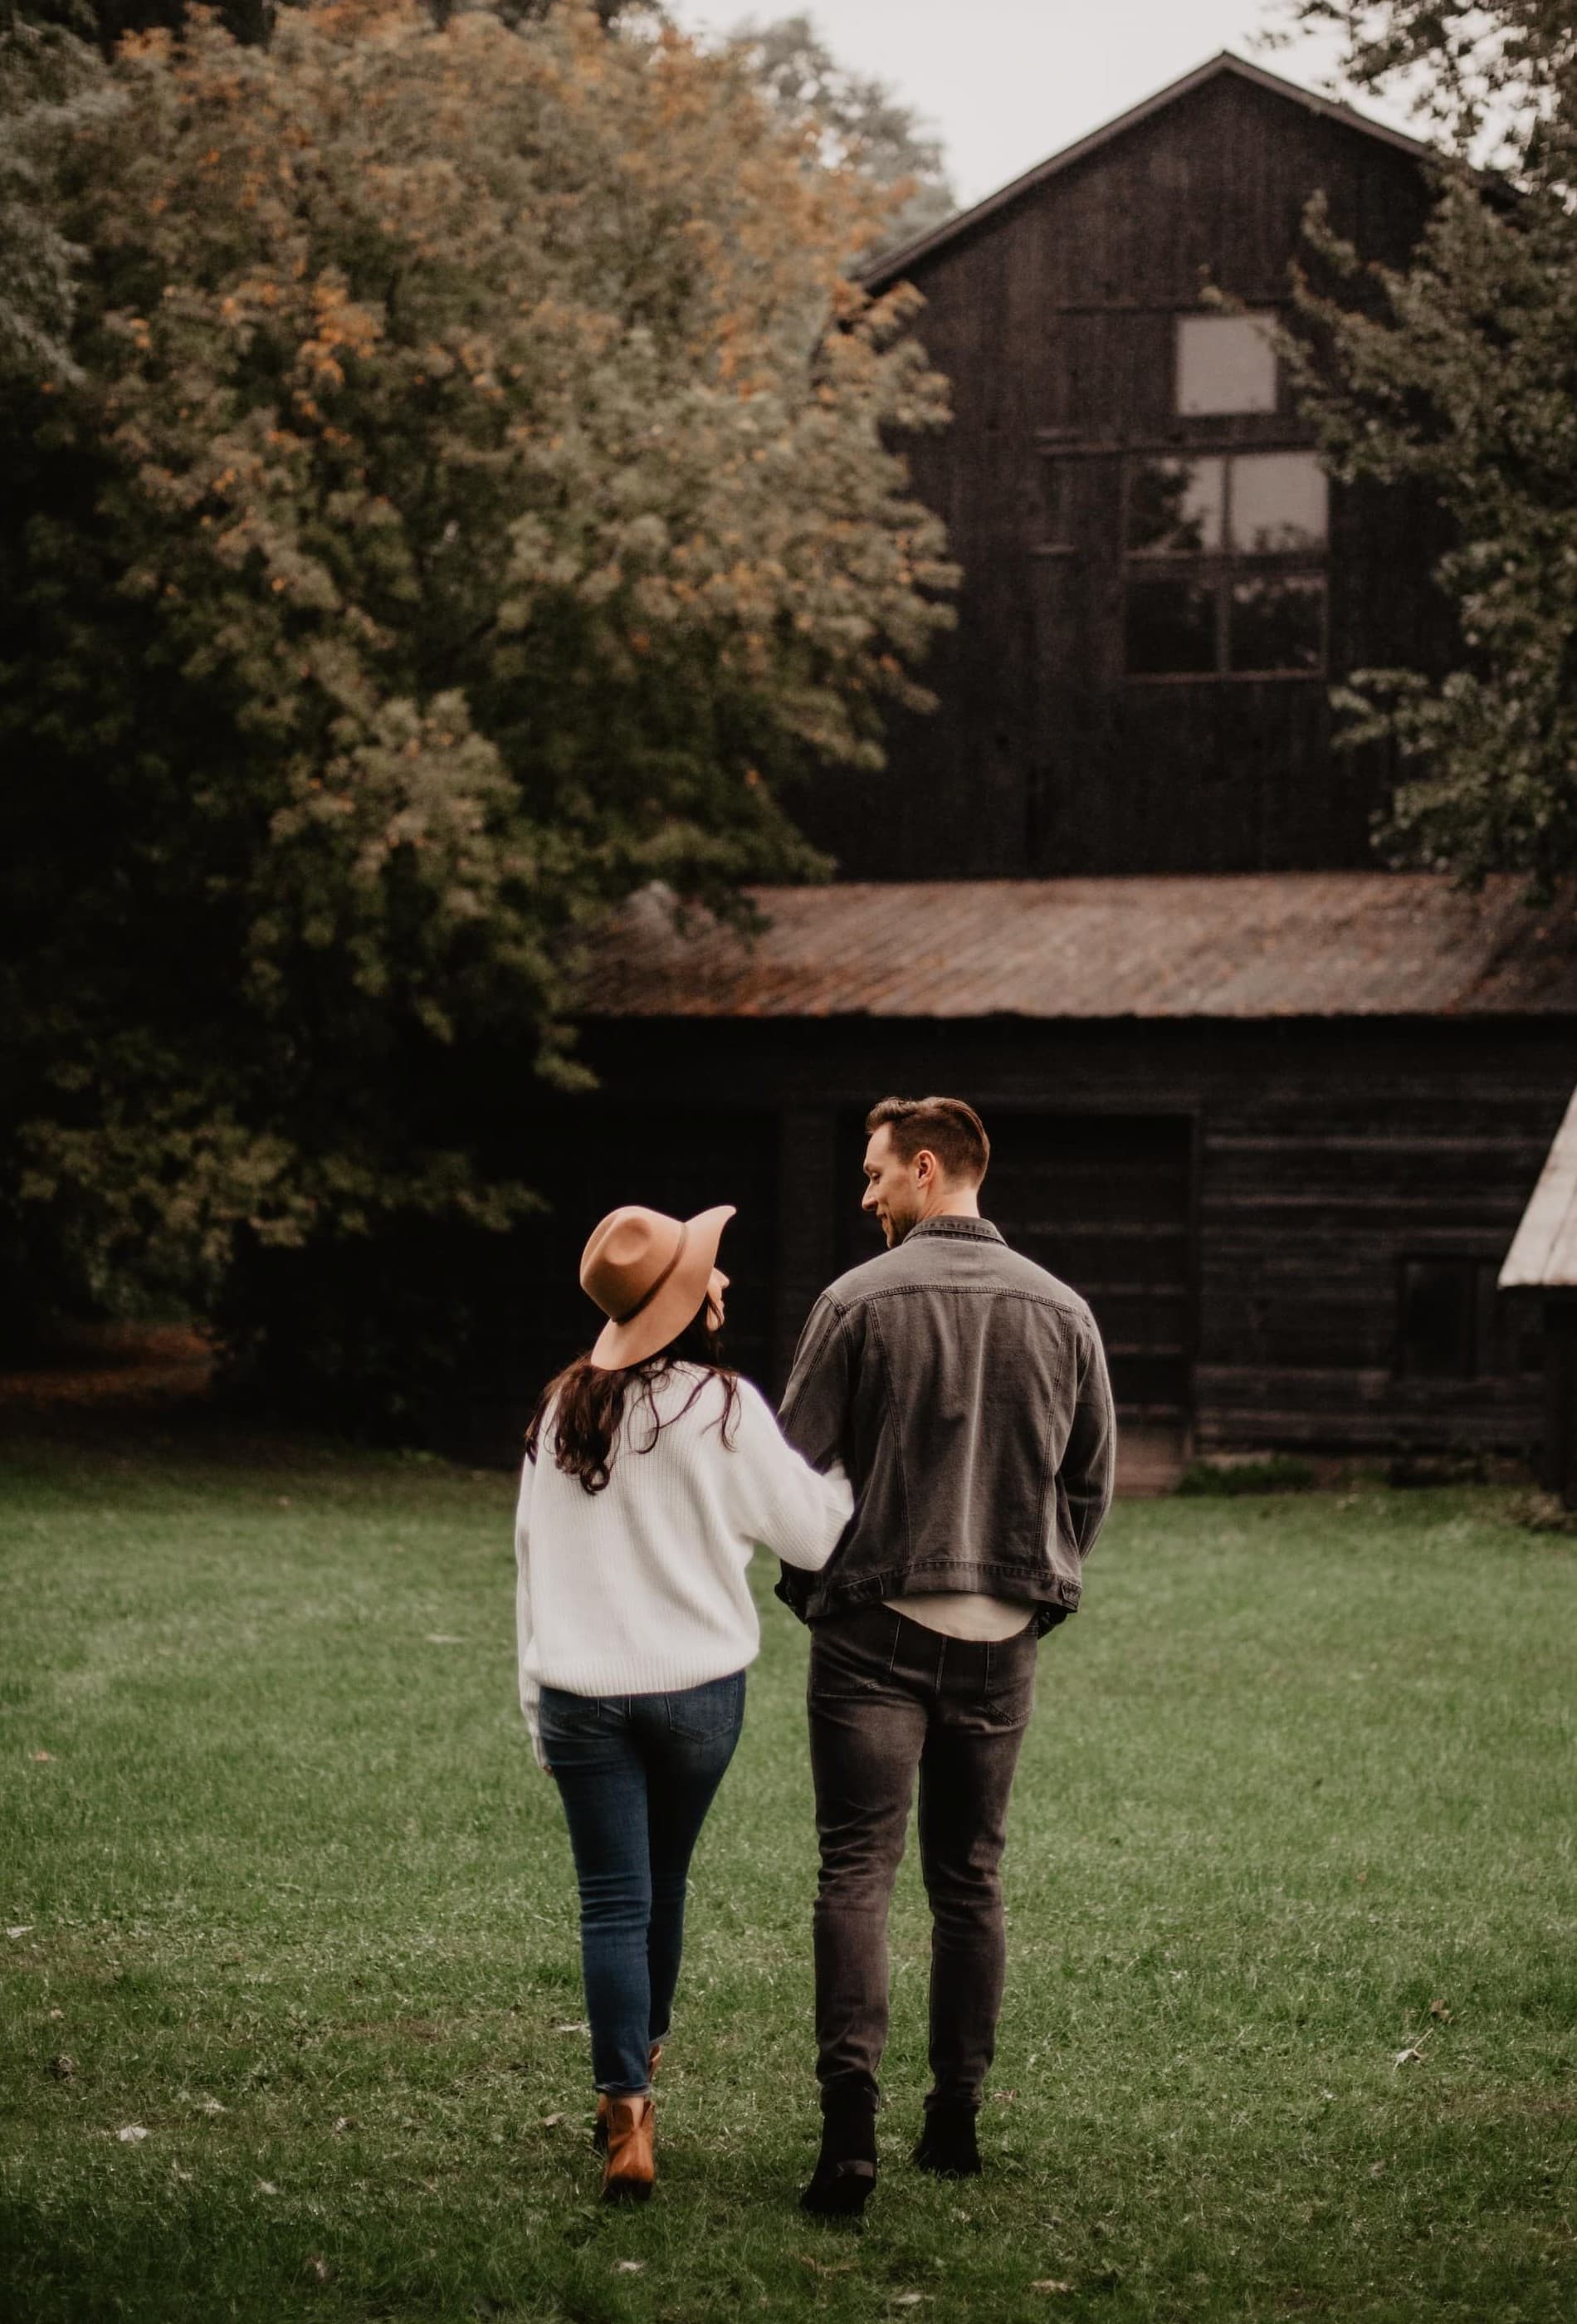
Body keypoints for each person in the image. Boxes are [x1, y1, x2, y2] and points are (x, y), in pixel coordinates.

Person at [777, 1096, 1116, 2218]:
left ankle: (849, 2137)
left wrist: (818, 1590)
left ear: (929, 1169)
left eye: (876, 1175)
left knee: (855, 1874)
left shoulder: (854, 1302)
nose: (865, 1195)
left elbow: (789, 1479)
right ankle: (956, 2121)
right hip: (1000, 1640)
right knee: (970, 1878)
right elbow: (1091, 1485)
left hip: (872, 1633)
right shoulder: (1066, 1312)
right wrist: (1029, 1588)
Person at [515, 1201, 852, 2203]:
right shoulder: (726, 1407)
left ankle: (627, 2116)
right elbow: (815, 1535)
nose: (725, 1283)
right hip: (699, 1695)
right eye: (710, 1273)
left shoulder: (559, 1409)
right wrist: (853, 1467)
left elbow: (530, 1569)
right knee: (662, 1889)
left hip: (579, 1693)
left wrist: (534, 1704)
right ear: (682, 1302)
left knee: (610, 1901)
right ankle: (640, 2065)